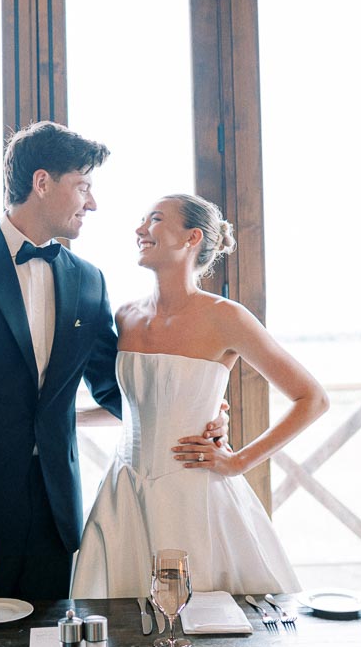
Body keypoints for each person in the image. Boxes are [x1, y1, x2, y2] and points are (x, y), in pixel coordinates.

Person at [0, 123, 226, 602]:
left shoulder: (88, 282)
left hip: (54, 524)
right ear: (43, 182)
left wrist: (203, 413)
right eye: (84, 187)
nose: (91, 204)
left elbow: (119, 387)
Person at [70, 193, 330, 598]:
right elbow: (138, 404)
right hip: (125, 492)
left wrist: (238, 461)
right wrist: (69, 418)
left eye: (154, 220)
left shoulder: (227, 317)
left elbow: (311, 398)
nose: (140, 230)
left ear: (192, 238)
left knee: (207, 622)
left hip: (194, 495)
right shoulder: (125, 316)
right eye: (142, 221)